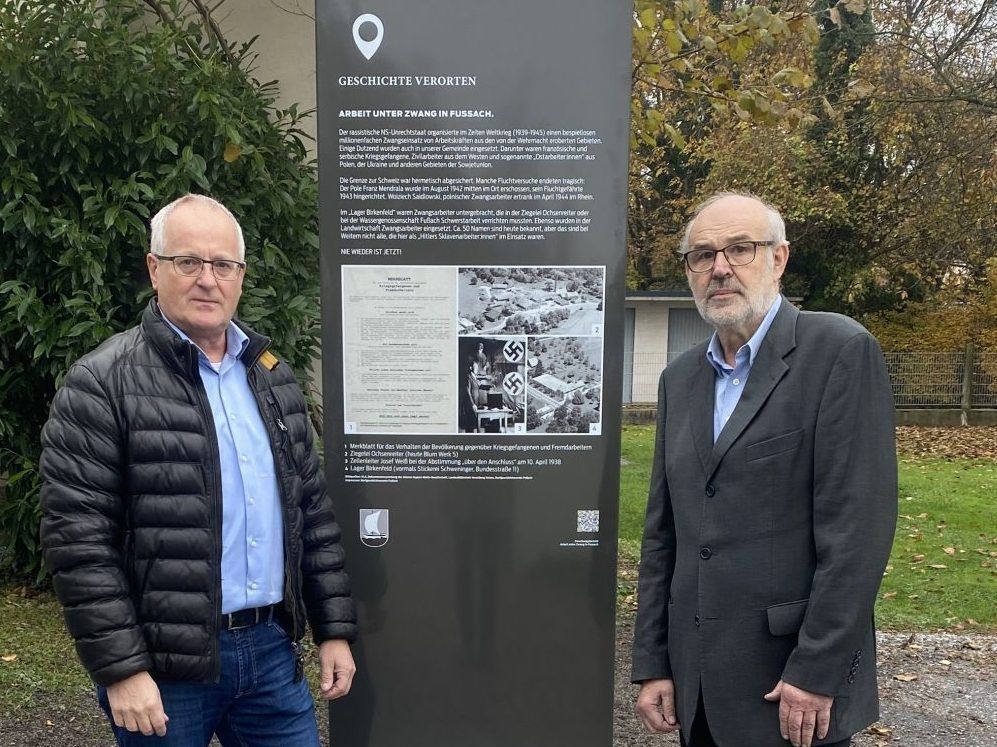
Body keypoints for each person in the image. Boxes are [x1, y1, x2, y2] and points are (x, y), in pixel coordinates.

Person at [40, 194, 357, 746]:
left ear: (240, 276)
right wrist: (122, 670)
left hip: (270, 654)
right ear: (154, 268)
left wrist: (333, 631)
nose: (207, 279)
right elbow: (78, 542)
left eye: (223, 265)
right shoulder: (101, 383)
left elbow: (312, 513)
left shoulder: (271, 377)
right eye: (189, 262)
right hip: (164, 672)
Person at [632, 192, 897, 747]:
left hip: (790, 688)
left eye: (740, 249)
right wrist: (655, 661)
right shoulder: (679, 380)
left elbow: (857, 532)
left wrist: (816, 670)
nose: (719, 268)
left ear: (778, 259)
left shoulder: (839, 351)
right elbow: (664, 535)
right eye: (702, 255)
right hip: (697, 683)